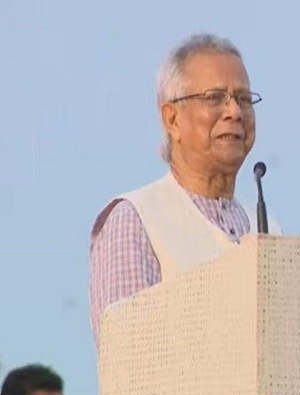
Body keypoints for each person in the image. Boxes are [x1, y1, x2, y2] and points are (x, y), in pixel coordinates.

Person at [88, 33, 281, 349]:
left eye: (244, 98)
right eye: (215, 97)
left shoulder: (267, 226)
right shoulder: (136, 220)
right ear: (172, 118)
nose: (234, 112)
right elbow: (129, 358)